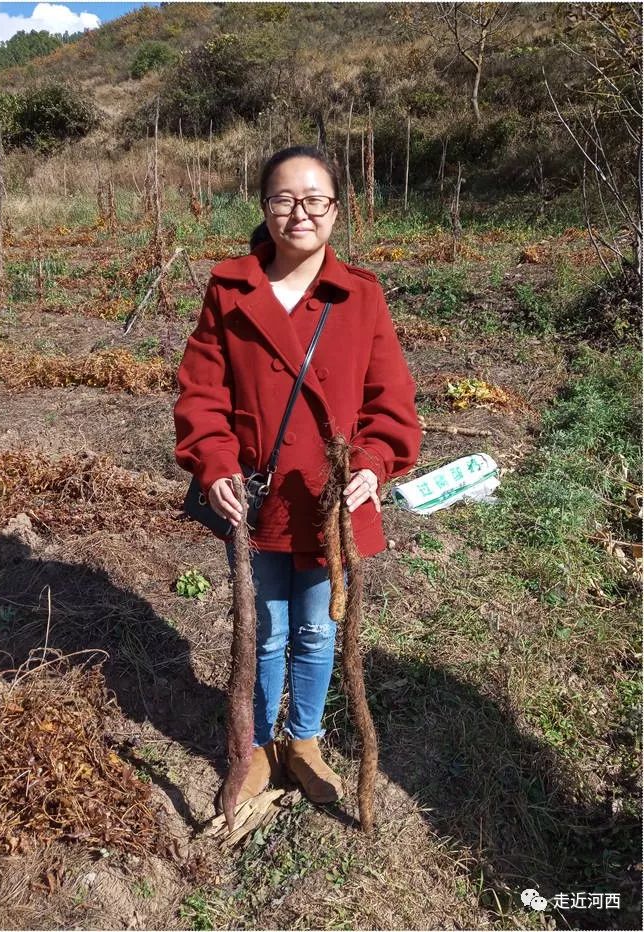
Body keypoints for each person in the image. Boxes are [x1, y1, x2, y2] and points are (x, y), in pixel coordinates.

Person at [173, 145, 422, 808]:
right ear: (264, 207)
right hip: (255, 503)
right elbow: (202, 394)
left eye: (316, 199)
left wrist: (372, 466)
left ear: (336, 210)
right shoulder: (231, 289)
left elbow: (389, 403)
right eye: (284, 198)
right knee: (264, 628)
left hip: (328, 506)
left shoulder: (361, 295)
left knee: (318, 629)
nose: (300, 212)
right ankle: (256, 748)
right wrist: (216, 462)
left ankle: (304, 741)